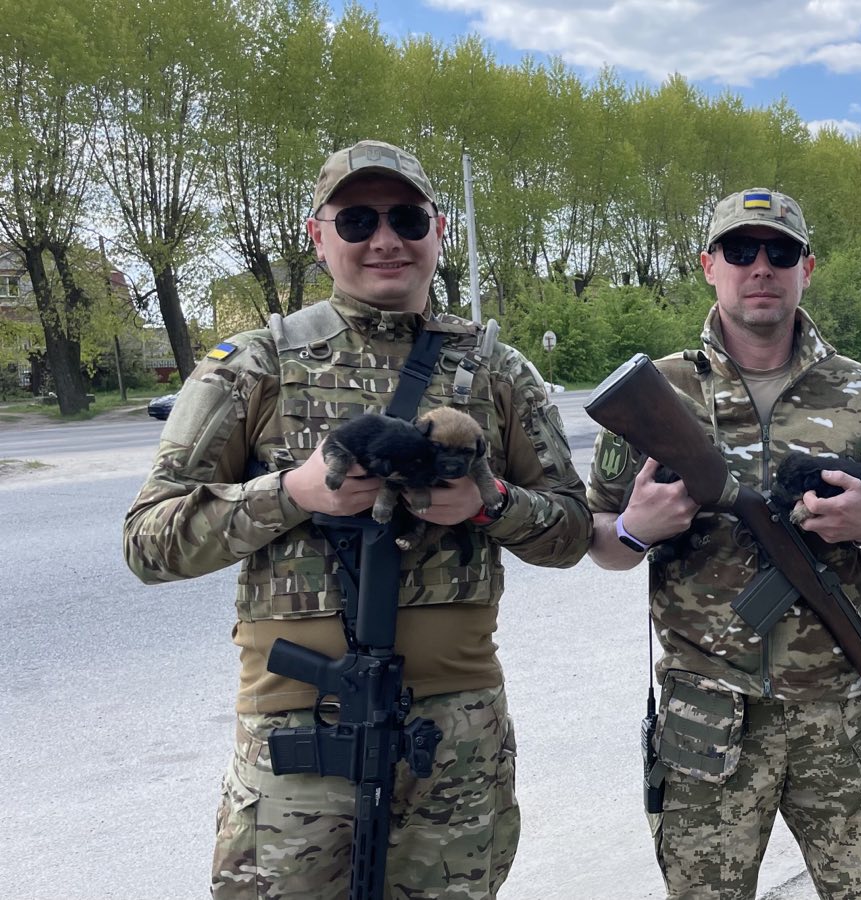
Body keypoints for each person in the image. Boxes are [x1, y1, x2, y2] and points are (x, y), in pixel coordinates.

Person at [123, 139, 591, 898]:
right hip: (301, 737)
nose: (385, 239)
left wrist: (490, 504)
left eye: (407, 218)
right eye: (357, 221)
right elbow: (149, 542)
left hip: (456, 735)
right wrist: (293, 493)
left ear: (438, 230)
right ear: (319, 236)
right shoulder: (255, 364)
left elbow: (571, 532)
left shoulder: (497, 369)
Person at [586, 188, 861, 899]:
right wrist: (635, 529)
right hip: (705, 718)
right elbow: (601, 540)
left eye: (781, 252)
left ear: (808, 268)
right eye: (741, 251)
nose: (761, 267)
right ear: (709, 265)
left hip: (838, 710)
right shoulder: (657, 392)